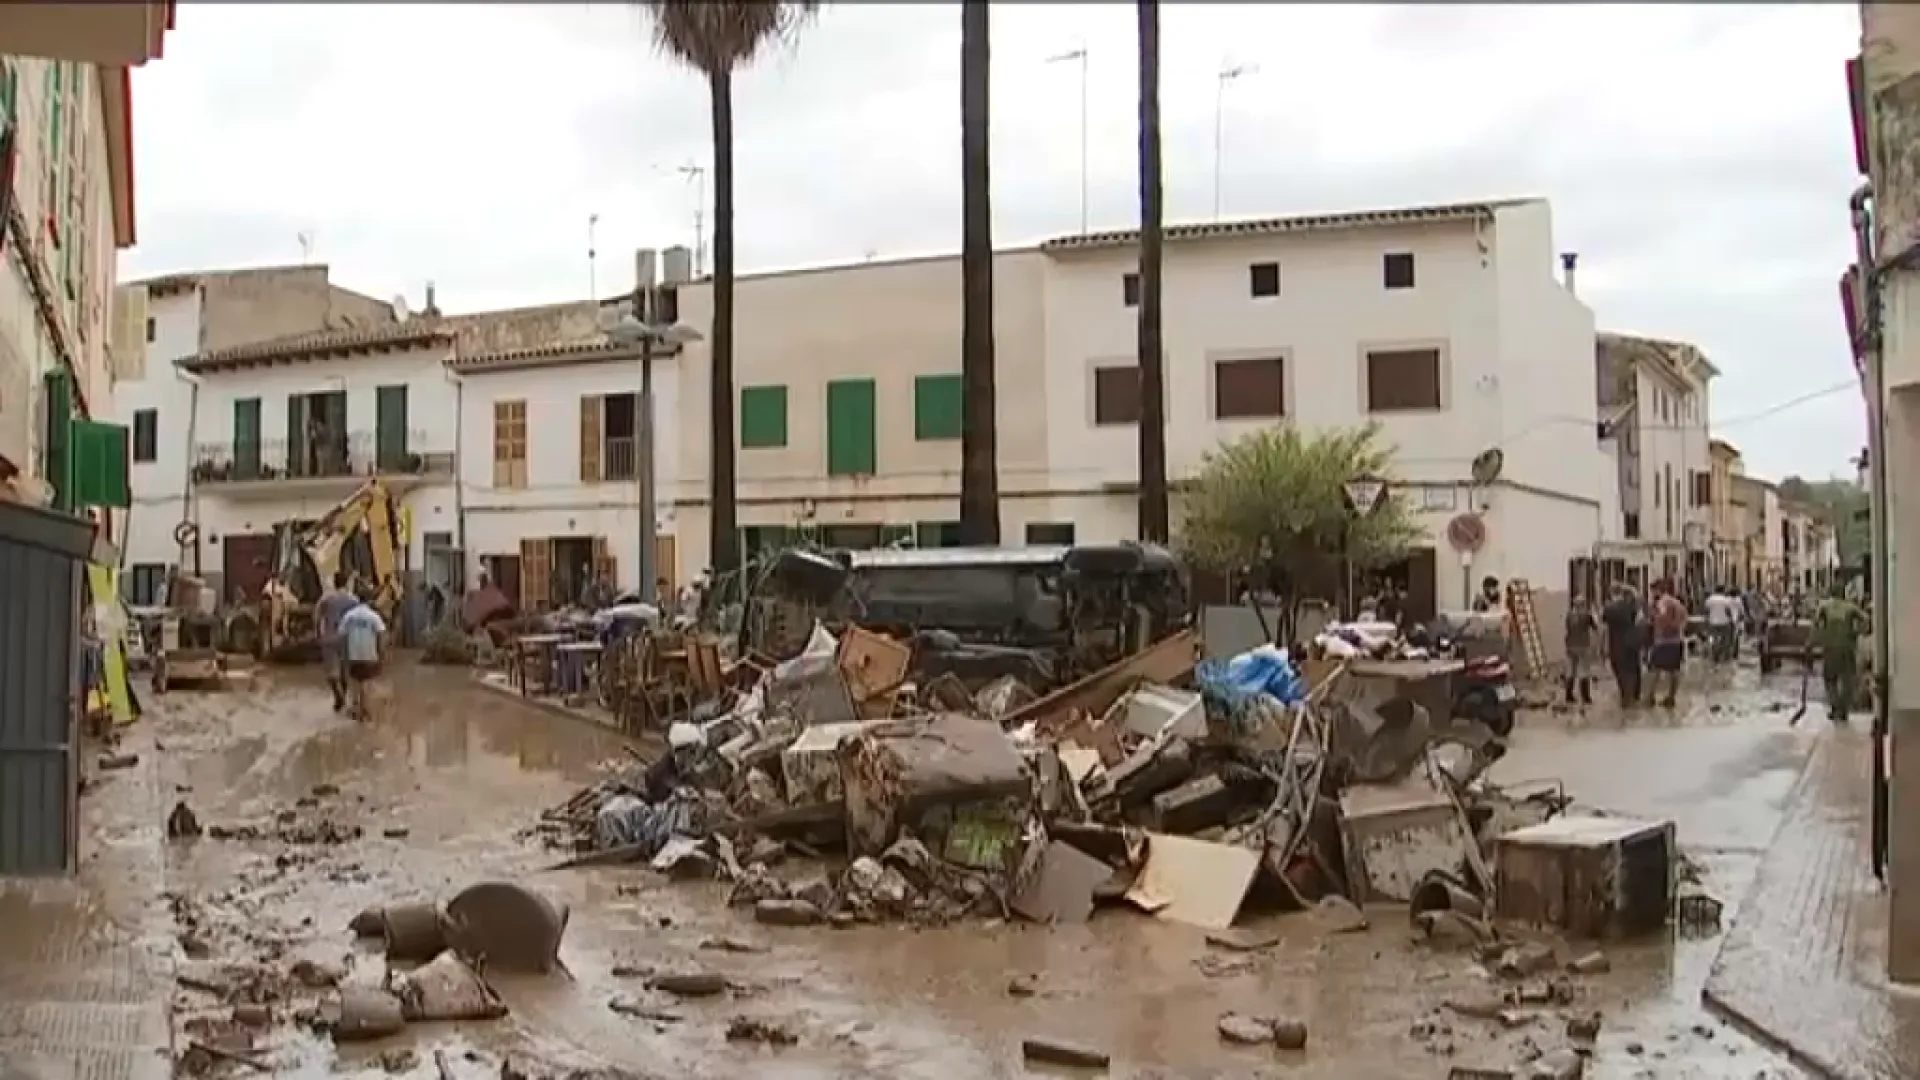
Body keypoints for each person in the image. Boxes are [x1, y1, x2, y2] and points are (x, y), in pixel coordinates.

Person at [1813, 583, 1867, 720]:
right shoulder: (1850, 607)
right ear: (1843, 593)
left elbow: (1816, 625)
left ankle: (1836, 707)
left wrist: (1812, 642)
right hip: (1847, 646)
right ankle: (1843, 709)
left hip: (1830, 647)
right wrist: (1857, 632)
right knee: (1848, 679)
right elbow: (1866, 619)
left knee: (1830, 679)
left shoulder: (1824, 606)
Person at [314, 571, 359, 713]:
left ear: (334, 582)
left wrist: (317, 633)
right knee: (345, 669)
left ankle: (338, 696)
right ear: (346, 583)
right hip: (346, 637)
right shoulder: (353, 599)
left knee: (330, 671)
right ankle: (343, 696)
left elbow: (317, 617)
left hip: (329, 636)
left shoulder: (326, 598)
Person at [338, 594, 388, 719]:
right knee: (366, 683)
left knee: (355, 682)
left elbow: (342, 637)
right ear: (370, 601)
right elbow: (381, 638)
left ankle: (356, 708)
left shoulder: (348, 616)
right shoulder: (374, 616)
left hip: (353, 655)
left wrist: (344, 657)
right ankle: (365, 710)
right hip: (369, 655)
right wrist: (382, 656)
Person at [1647, 578, 1689, 709]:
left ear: (1657, 590)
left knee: (1655, 669)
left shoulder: (1662, 603)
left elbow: (1662, 618)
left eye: (1653, 591)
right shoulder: (1678, 603)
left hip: (1663, 641)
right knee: (1674, 670)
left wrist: (1656, 623)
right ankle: (1671, 696)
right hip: (1678, 640)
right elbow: (1684, 619)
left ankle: (1650, 696)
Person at [1601, 584, 1644, 706]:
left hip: (1615, 645)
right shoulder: (1631, 606)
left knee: (1619, 671)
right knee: (1632, 671)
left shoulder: (1608, 608)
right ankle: (1631, 697)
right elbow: (1639, 621)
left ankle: (1625, 697)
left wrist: (1602, 647)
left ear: (1611, 593)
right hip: (1631, 643)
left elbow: (1603, 626)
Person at [1563, 592, 1600, 705]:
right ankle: (1585, 697)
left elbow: (1567, 627)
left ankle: (1568, 695)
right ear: (1583, 604)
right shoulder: (1586, 614)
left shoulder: (1569, 614)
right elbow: (1595, 627)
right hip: (1583, 646)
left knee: (1571, 670)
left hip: (1570, 645)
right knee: (1584, 670)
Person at [1704, 584, 1741, 664]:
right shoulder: (1725, 600)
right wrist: (1731, 620)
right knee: (1726, 640)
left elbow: (1706, 612)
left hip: (1712, 622)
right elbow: (1728, 612)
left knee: (1714, 638)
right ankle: (1722, 653)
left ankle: (1715, 653)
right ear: (1723, 591)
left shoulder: (1709, 599)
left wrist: (1706, 621)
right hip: (1724, 622)